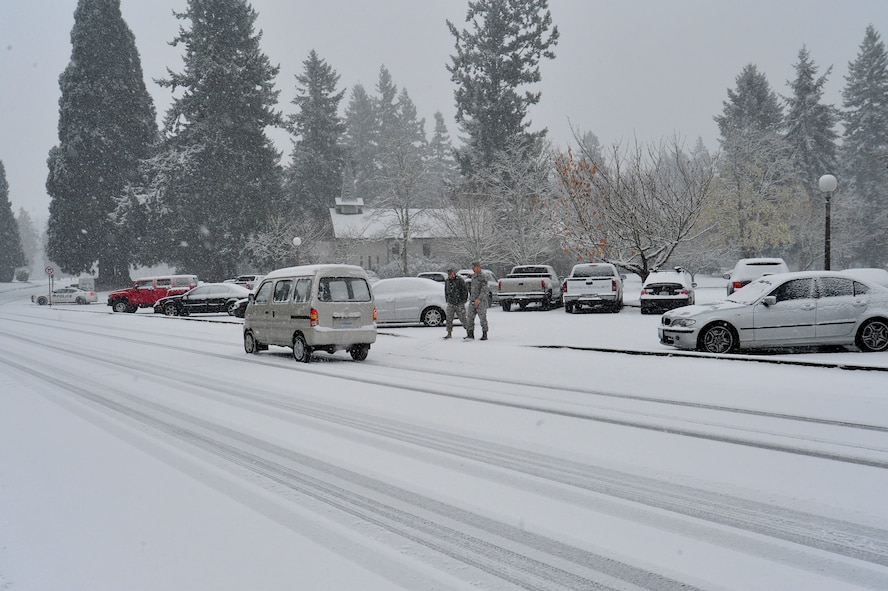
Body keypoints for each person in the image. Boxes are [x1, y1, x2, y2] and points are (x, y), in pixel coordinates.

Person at [465, 261, 489, 340]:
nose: (473, 269)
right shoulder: (473, 276)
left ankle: (484, 333)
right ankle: (470, 333)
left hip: (480, 301)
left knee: (482, 318)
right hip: (472, 300)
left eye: (474, 267)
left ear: (478, 267)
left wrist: (479, 299)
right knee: (470, 317)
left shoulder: (483, 276)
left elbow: (484, 290)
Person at [443, 267, 468, 339]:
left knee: (462, 318)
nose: (450, 275)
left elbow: (464, 290)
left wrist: (463, 300)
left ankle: (468, 331)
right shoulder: (447, 281)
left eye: (451, 274)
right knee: (449, 318)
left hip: (459, 302)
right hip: (451, 302)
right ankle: (449, 332)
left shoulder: (459, 280)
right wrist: (447, 299)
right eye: (449, 274)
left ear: (454, 273)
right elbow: (446, 291)